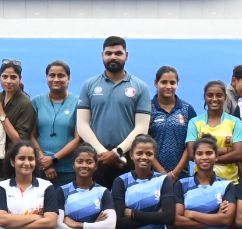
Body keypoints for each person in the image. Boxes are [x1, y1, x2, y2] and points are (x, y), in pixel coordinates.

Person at [75, 35, 151, 186]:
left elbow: (142, 127)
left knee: (126, 200)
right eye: (108, 53)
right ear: (102, 56)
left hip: (126, 159)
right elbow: (82, 125)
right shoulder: (89, 85)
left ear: (126, 55)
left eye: (118, 53)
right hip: (97, 159)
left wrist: (117, 153)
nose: (113, 57)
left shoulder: (140, 87)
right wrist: (103, 153)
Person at [178, 81, 242, 181]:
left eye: (219, 95)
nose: (214, 99)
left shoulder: (235, 122)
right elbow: (192, 154)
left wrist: (205, 157)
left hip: (230, 183)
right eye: (210, 95)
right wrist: (225, 150)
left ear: (225, 97)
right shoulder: (194, 122)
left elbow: (238, 154)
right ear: (205, 97)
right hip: (201, 183)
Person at [30, 59, 81, 183]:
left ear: (69, 79)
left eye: (61, 75)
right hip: (40, 168)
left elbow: (78, 139)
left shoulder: (78, 102)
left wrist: (53, 159)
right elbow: (31, 136)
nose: (56, 79)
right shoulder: (37, 102)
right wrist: (44, 162)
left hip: (68, 169)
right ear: (47, 78)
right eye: (52, 75)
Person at [0, 60, 38, 183]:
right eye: (5, 77)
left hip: (11, 164)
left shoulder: (25, 104)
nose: (8, 81)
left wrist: (2, 114)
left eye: (13, 77)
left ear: (20, 79)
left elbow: (19, 140)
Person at [146, 65, 194, 176]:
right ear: (156, 83)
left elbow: (191, 145)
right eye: (164, 82)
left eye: (172, 83)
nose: (168, 86)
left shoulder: (187, 109)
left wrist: (174, 174)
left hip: (181, 176)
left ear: (177, 84)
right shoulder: (147, 109)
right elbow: (144, 144)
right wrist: (163, 173)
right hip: (153, 175)